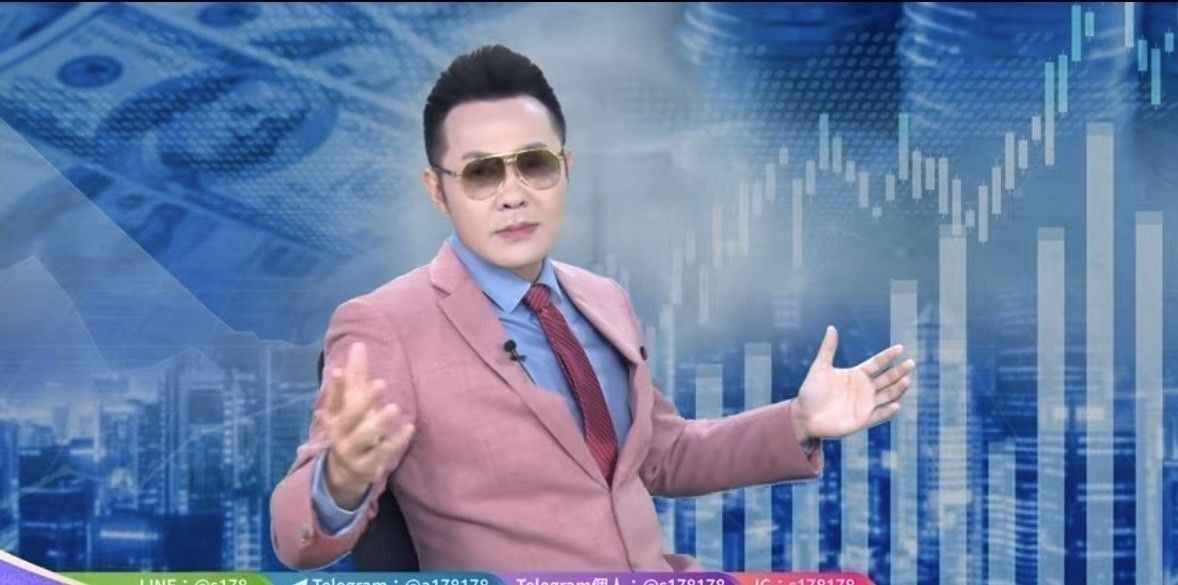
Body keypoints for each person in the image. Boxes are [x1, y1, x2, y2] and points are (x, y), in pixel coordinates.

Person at [269, 44, 914, 571]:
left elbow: (663, 455)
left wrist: (799, 420)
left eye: (533, 164)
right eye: (482, 174)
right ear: (438, 191)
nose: (513, 194)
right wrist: (340, 482)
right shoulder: (383, 325)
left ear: (566, 168)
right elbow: (293, 536)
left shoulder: (604, 299)